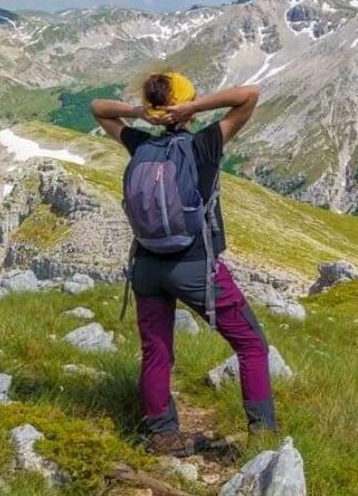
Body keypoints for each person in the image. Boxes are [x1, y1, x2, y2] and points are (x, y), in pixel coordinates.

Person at [91, 72, 277, 457]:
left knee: (157, 351)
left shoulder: (140, 143)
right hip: (193, 266)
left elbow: (99, 109)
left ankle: (163, 436)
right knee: (251, 344)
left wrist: (141, 114)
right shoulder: (205, 143)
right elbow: (249, 95)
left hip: (146, 266)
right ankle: (263, 437)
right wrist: (194, 107)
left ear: (155, 109)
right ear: (185, 108)